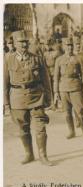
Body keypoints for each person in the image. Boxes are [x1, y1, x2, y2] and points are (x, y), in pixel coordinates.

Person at [3, 30, 53, 166]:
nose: (24, 45)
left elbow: (46, 79)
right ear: (15, 43)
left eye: (26, 42)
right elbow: (5, 83)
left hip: (36, 96)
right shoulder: (8, 59)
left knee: (41, 127)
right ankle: (29, 154)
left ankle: (43, 156)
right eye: (21, 42)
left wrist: (49, 96)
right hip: (17, 99)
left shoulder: (37, 58)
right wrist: (6, 104)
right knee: (23, 128)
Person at [54, 37, 83, 140]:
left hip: (75, 88)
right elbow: (56, 77)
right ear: (64, 47)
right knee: (67, 113)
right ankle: (71, 131)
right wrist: (56, 91)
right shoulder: (59, 60)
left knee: (80, 112)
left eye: (71, 46)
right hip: (63, 89)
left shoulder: (78, 59)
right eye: (67, 46)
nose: (69, 48)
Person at [43, 38, 62, 110]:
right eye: (45, 45)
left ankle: (57, 103)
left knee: (56, 87)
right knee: (49, 88)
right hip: (47, 72)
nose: (47, 46)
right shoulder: (44, 53)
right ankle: (51, 103)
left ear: (50, 45)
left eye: (48, 45)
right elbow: (43, 63)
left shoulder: (56, 52)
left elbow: (59, 61)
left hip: (55, 71)